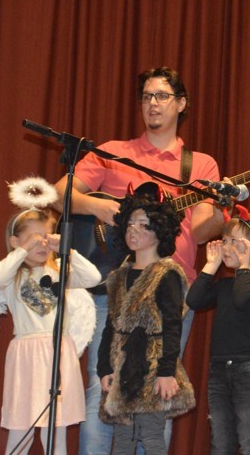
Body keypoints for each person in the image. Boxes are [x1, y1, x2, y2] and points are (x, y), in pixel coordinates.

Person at [54, 66, 223, 454]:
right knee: (103, 385)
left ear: (181, 103)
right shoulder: (113, 153)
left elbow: (201, 232)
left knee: (159, 392)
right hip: (114, 287)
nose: (153, 104)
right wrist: (98, 207)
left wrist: (219, 209)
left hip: (171, 291)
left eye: (162, 96)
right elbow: (60, 193)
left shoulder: (200, 166)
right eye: (147, 96)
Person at [0, 208, 101, 454]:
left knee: (55, 433)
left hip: (58, 354)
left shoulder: (59, 269)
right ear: (15, 241)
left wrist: (67, 249)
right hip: (27, 357)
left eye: (46, 236)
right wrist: (22, 250)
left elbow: (93, 278)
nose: (42, 243)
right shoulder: (13, 275)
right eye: (34, 238)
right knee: (21, 430)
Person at [97, 185, 195, 454]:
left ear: (159, 231)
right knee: (123, 439)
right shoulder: (118, 277)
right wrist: (104, 367)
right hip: (122, 369)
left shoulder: (167, 273)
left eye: (143, 225)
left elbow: (172, 326)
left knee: (152, 436)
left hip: (152, 366)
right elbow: (110, 327)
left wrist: (166, 372)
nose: (133, 230)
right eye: (130, 224)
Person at [186, 206, 250, 454]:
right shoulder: (225, 284)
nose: (226, 247)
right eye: (224, 241)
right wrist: (210, 266)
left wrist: (244, 266)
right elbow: (193, 300)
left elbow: (242, 299)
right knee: (220, 442)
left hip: (249, 369)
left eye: (235, 241)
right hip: (218, 369)